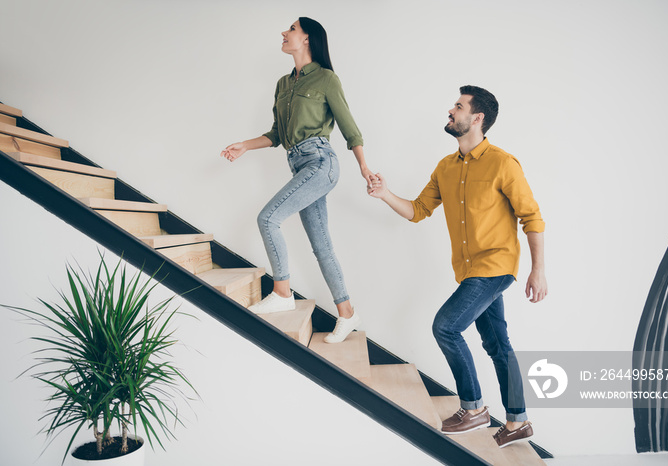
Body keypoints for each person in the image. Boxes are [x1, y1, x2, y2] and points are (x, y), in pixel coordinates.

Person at [368, 85, 547, 448]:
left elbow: (532, 218)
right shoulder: (446, 168)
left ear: (477, 117)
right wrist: (385, 194)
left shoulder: (503, 162)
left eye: (459, 106)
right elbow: (418, 211)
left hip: (495, 266)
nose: (451, 111)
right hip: (468, 271)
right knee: (498, 344)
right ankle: (518, 422)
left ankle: (474, 408)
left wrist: (537, 269)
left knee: (445, 327)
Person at [221, 17, 373, 344]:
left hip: (321, 162)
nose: (284, 32)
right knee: (322, 246)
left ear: (307, 38)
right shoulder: (283, 84)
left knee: (268, 218)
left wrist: (363, 168)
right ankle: (347, 313)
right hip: (299, 165)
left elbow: (350, 129)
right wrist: (245, 145)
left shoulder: (326, 79)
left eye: (291, 28)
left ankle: (282, 291)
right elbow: (277, 134)